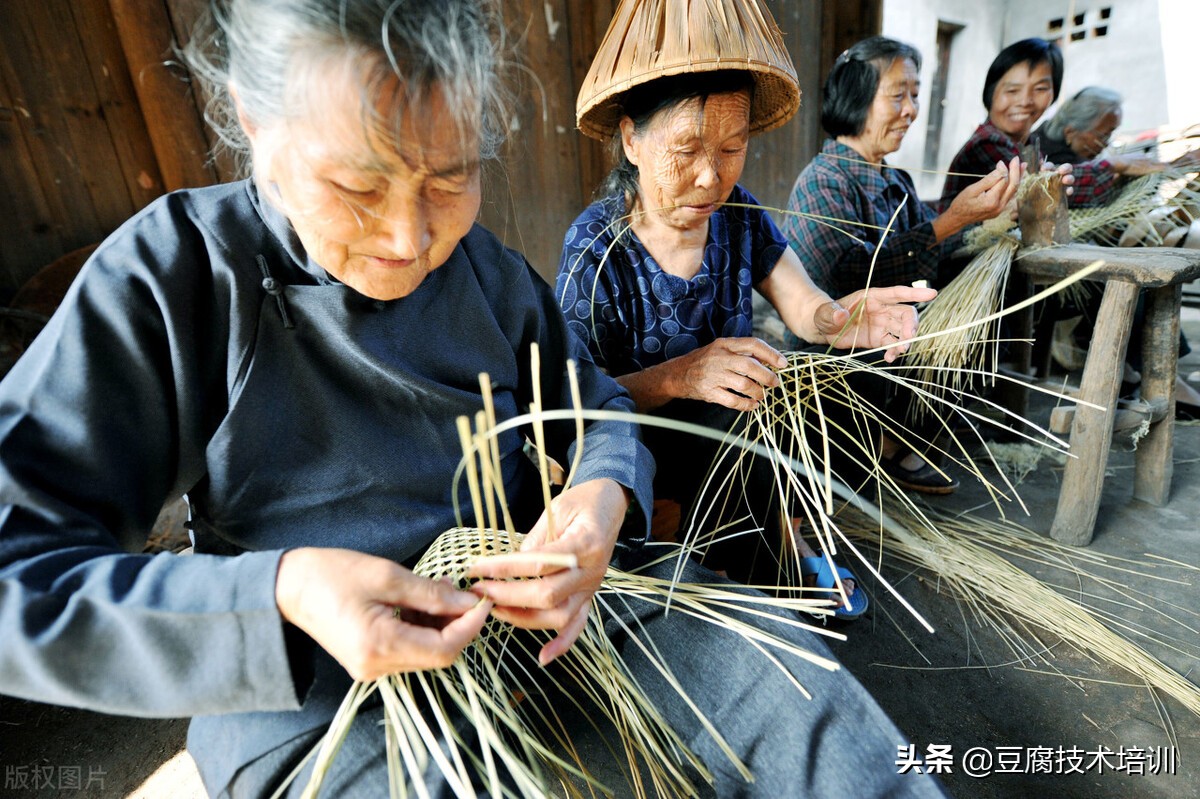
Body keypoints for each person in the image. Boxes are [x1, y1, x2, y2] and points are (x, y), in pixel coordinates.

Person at [0, 1, 950, 797]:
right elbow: (16, 569)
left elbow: (593, 401)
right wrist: (279, 593)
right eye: (356, 184)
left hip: (554, 609)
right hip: (325, 696)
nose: (411, 237)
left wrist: (600, 495)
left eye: (450, 177)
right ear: (255, 119)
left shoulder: (491, 276)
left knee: (813, 700)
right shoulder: (180, 274)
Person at [558, 3, 940, 611]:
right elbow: (574, 399)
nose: (712, 178)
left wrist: (840, 318)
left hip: (737, 428)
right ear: (632, 138)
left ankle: (779, 564)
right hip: (635, 442)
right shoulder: (597, 246)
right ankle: (766, 580)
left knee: (776, 411)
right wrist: (682, 376)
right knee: (736, 430)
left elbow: (804, 303)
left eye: (731, 149)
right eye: (686, 149)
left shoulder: (738, 215)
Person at [780, 36, 1022, 492]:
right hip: (836, 354)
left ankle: (893, 441)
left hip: (894, 341)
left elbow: (934, 253)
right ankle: (872, 445)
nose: (911, 110)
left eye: (915, 94)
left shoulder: (896, 179)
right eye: (898, 95)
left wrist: (989, 219)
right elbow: (844, 279)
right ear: (856, 99)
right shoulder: (824, 180)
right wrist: (950, 221)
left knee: (970, 322)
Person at [939, 38, 1080, 209]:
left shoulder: (1029, 143)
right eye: (1013, 90)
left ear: (1053, 93)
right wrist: (1112, 166)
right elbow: (1031, 188)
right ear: (991, 94)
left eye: (1040, 89)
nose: (1025, 101)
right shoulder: (985, 143)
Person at [1031, 86, 1200, 208]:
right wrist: (1117, 164)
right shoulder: (1038, 155)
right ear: (1070, 132)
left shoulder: (1070, 151)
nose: (1106, 143)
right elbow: (1085, 184)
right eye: (1103, 135)